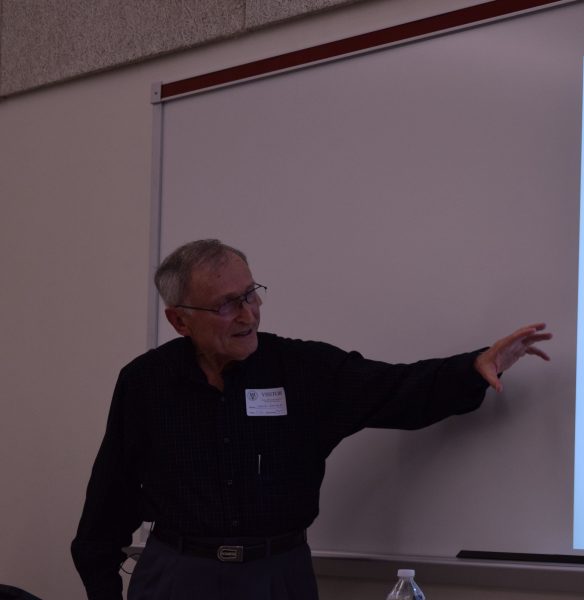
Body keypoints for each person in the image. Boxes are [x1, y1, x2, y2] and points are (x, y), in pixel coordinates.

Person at [71, 239, 552, 600]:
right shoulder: (145, 382)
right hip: (177, 576)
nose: (248, 314)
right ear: (179, 321)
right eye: (226, 304)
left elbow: (396, 389)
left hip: (277, 576)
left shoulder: (303, 370)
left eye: (251, 294)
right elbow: (109, 500)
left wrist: (472, 368)